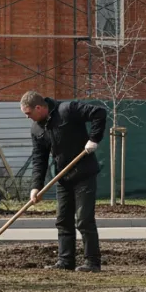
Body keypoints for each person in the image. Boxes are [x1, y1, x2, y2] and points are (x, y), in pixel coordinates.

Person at [21, 90, 107, 272]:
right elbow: (39, 159)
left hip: (84, 172)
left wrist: (94, 139)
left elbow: (99, 113)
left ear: (39, 107)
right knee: (63, 220)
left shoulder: (67, 110)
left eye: (29, 114)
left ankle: (92, 262)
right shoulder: (37, 129)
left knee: (84, 220)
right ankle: (65, 261)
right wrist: (36, 186)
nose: (28, 118)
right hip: (63, 177)